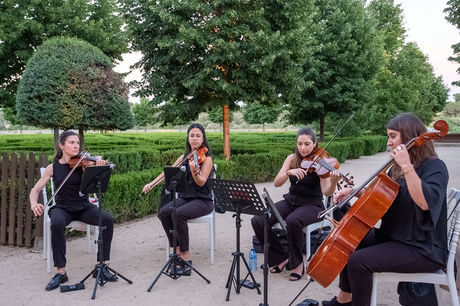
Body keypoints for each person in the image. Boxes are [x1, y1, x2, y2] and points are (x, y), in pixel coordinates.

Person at [322, 113, 449, 306]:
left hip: (422, 248)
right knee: (350, 241)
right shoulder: (396, 168)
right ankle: (344, 299)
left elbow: (424, 202)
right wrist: (356, 192)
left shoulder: (435, 167)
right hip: (396, 236)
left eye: (392, 136)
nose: (389, 142)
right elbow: (383, 197)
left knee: (359, 261)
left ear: (408, 137)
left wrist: (407, 165)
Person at [29, 131, 117, 291]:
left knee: (107, 220)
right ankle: (61, 272)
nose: (76, 145)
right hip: (62, 207)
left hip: (83, 206)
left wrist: (99, 170)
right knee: (56, 223)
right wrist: (34, 203)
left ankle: (101, 266)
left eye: (77, 143)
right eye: (72, 142)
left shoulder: (83, 164)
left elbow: (96, 189)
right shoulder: (53, 167)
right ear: (61, 145)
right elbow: (35, 190)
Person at [251, 128, 340, 281]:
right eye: (300, 143)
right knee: (258, 220)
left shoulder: (322, 162)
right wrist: (288, 172)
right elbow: (277, 183)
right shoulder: (292, 158)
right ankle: (280, 257)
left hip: (313, 205)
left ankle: (298, 263)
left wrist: (333, 182)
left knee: (293, 221)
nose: (303, 148)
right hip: (290, 201)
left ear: (315, 143)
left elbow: (327, 192)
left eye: (307, 144)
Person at [142, 123, 214, 275]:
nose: (194, 139)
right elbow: (166, 174)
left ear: (203, 138)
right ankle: (177, 249)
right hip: (187, 198)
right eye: (192, 135)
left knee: (178, 214)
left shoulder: (207, 159)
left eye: (198, 136)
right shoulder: (184, 157)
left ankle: (186, 257)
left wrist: (195, 170)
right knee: (164, 212)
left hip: (203, 200)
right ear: (188, 138)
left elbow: (201, 182)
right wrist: (151, 184)